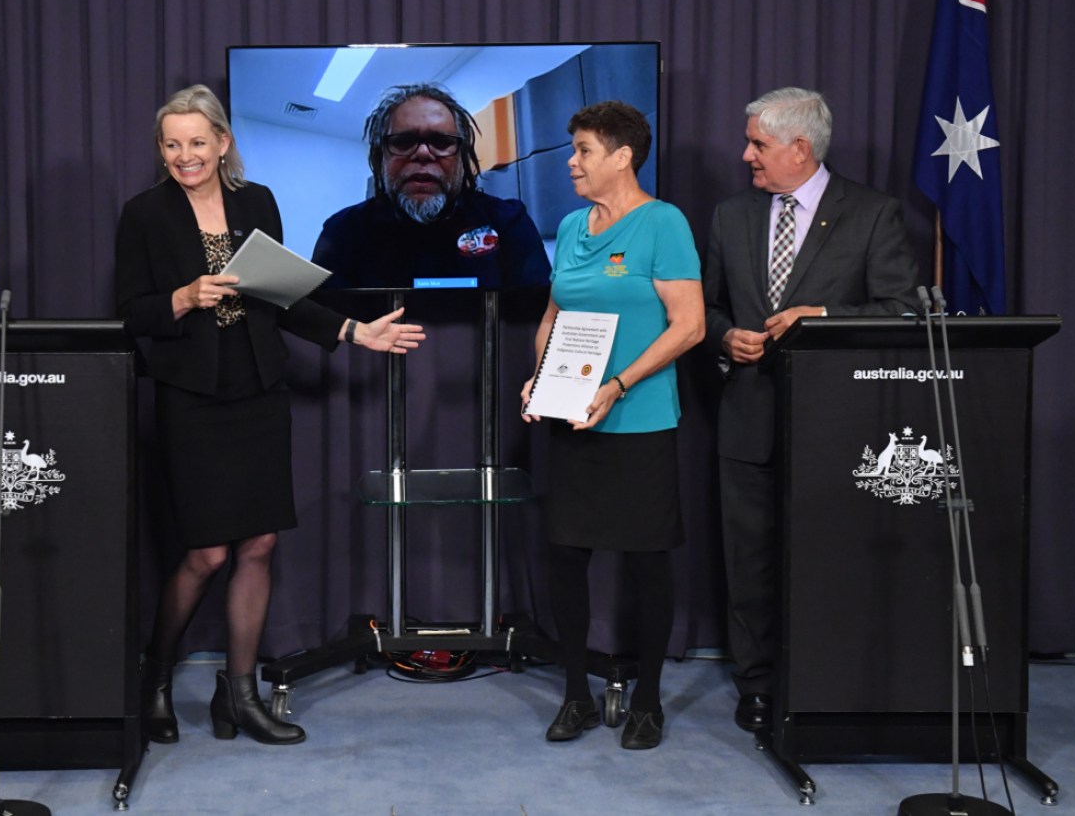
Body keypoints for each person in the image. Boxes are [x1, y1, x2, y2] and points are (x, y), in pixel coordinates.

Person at [114, 84, 425, 746]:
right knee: (205, 553)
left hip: (259, 394)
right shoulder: (143, 215)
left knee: (257, 544)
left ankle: (241, 696)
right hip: (191, 400)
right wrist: (182, 296)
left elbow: (285, 300)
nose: (185, 156)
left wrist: (353, 331)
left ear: (223, 143)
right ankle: (155, 681)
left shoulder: (256, 203)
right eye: (172, 144)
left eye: (197, 142)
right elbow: (130, 314)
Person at [703, 87, 920, 734]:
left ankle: (828, 679)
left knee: (835, 559)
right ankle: (758, 686)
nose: (745, 156)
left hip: (838, 427)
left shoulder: (872, 214)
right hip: (747, 420)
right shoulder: (730, 215)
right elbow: (706, 306)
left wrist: (819, 316)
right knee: (749, 563)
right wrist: (723, 336)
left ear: (800, 149)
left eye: (757, 145)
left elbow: (905, 308)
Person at [520, 101, 704, 750]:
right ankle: (576, 694)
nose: (570, 162)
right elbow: (551, 316)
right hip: (573, 424)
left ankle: (647, 702)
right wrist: (541, 379)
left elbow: (690, 325)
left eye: (583, 151)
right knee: (566, 558)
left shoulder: (664, 224)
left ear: (622, 157)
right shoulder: (571, 226)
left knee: (646, 562)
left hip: (641, 423)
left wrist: (618, 384)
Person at [312, 83, 551, 289]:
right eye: (403, 141)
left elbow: (536, 320)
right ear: (380, 156)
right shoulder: (343, 231)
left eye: (441, 141)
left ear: (461, 156)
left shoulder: (508, 221)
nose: (424, 154)